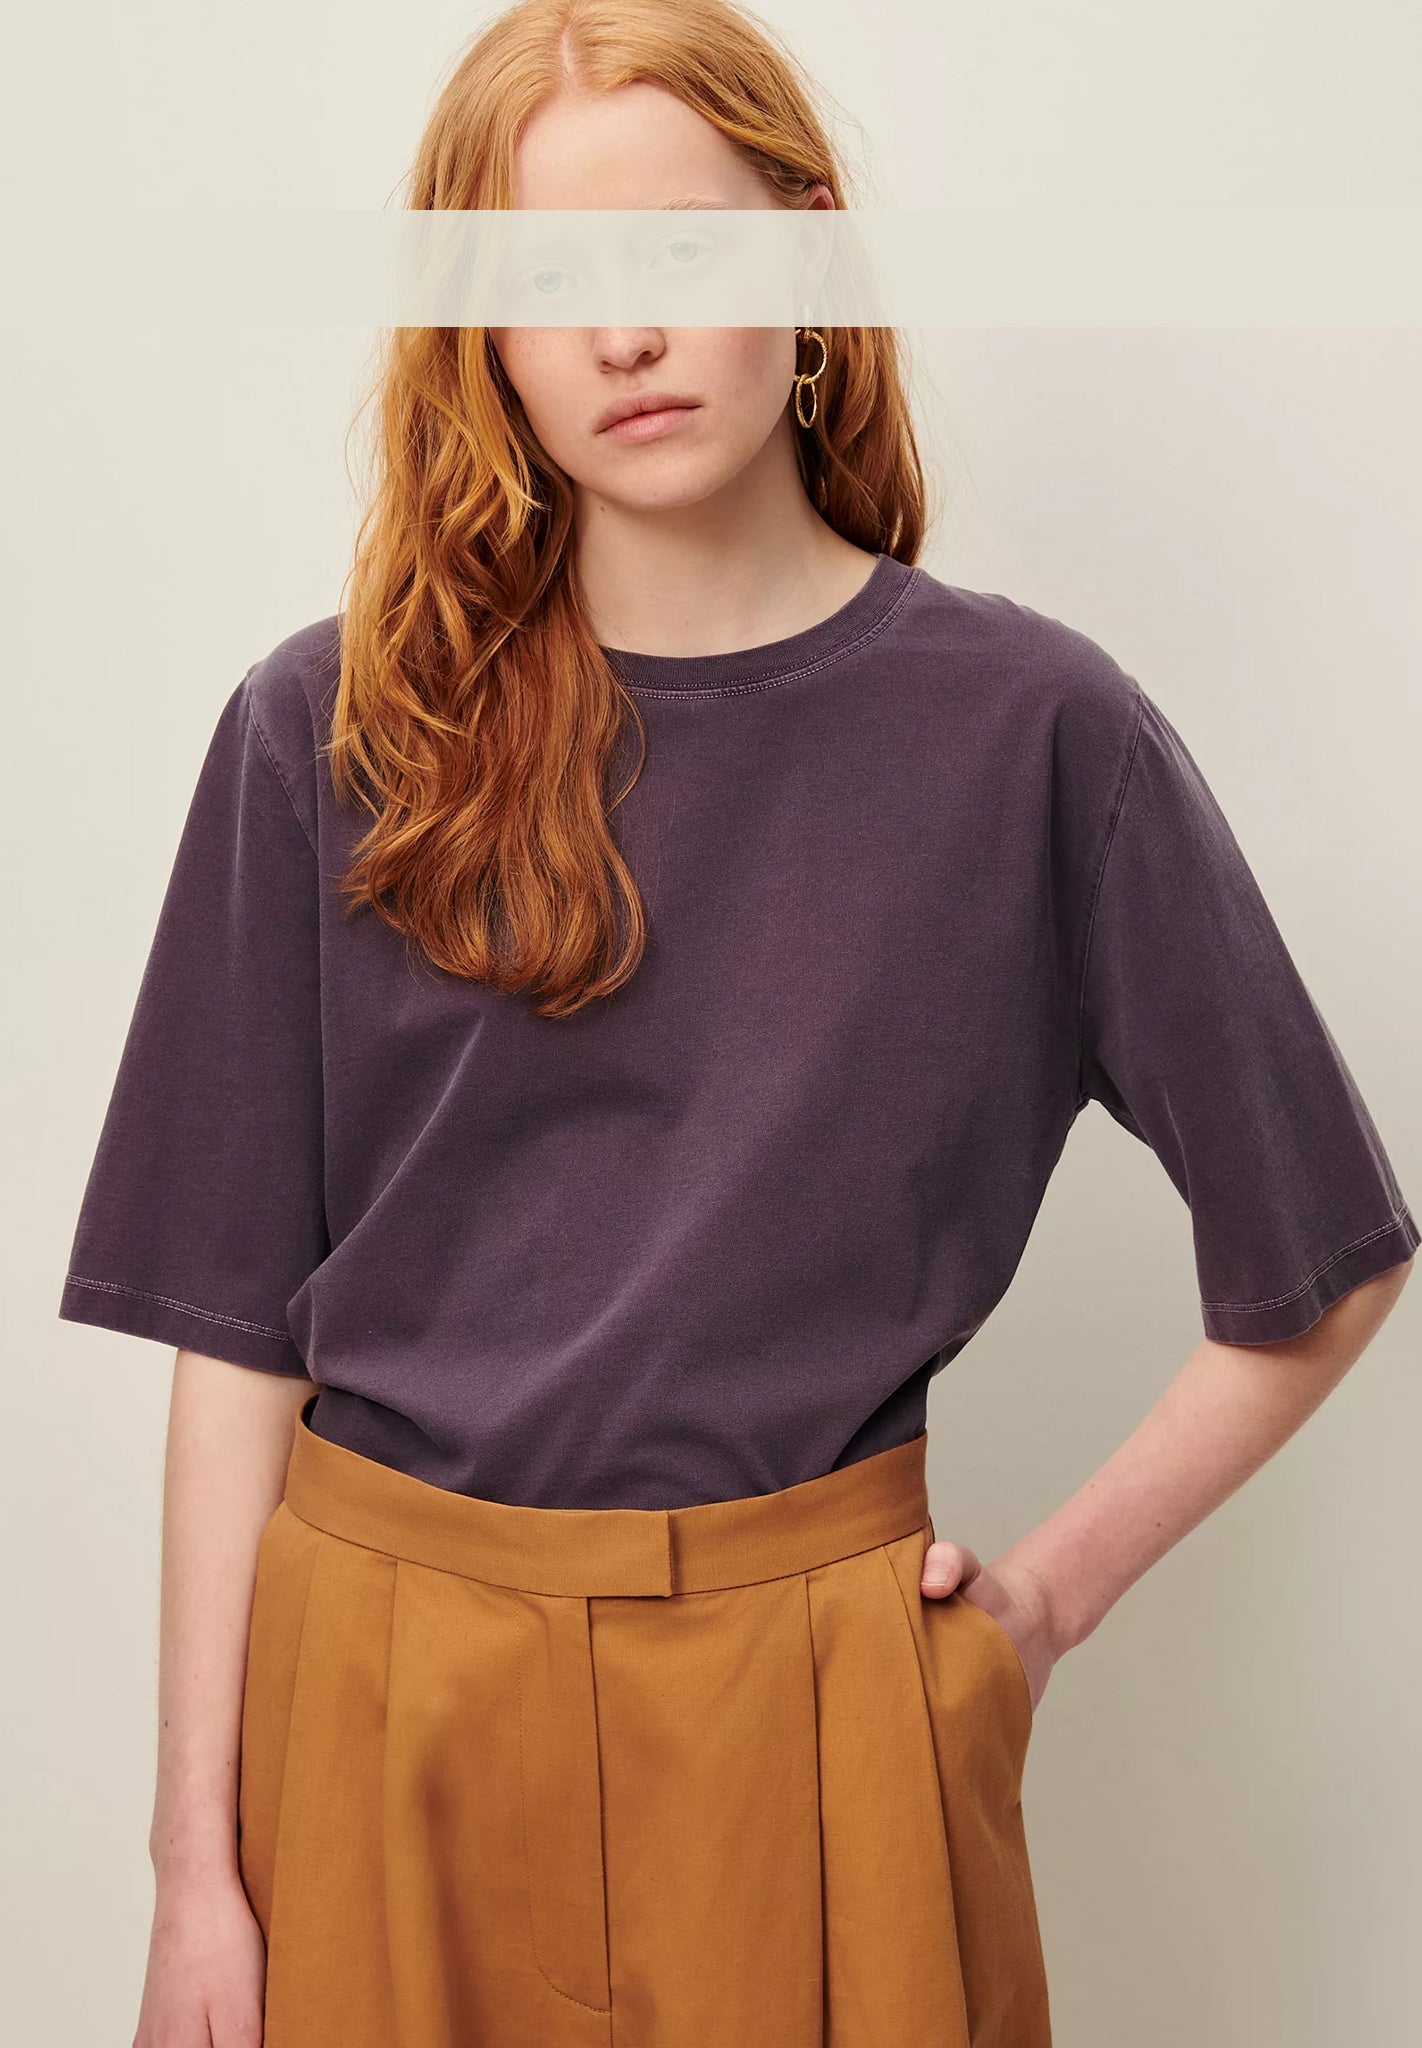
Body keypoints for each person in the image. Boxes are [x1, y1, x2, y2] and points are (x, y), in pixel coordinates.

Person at [58, 3, 1416, 2045]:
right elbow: (234, 1341)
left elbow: (1324, 1256)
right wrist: (195, 1871)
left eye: (683, 251)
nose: (623, 334)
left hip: (823, 1704)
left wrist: (1044, 1603)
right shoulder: (327, 732)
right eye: (547, 280)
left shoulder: (1034, 736)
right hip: (378, 1694)